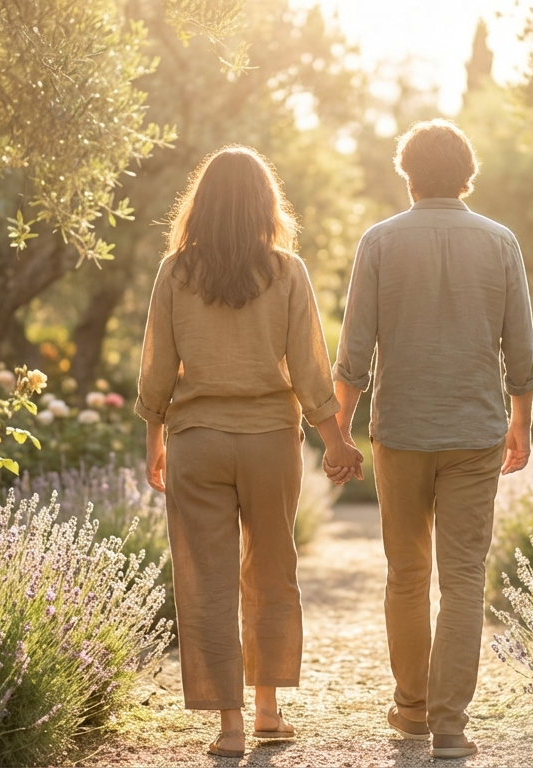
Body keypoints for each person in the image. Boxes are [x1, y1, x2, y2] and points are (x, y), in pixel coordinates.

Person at [135, 146, 364, 758]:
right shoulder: (287, 271)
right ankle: (268, 707)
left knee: (204, 579)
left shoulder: (175, 272)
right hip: (270, 441)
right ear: (267, 204)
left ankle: (229, 725)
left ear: (201, 204)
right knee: (271, 569)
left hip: (196, 441)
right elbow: (312, 369)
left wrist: (154, 437)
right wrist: (337, 438)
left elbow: (157, 367)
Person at [330, 119, 533, 760]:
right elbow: (522, 351)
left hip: (400, 433)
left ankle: (413, 707)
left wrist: (338, 431)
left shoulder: (379, 242)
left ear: (408, 175)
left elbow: (353, 352)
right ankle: (450, 725)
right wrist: (521, 424)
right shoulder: (501, 242)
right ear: (467, 174)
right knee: (463, 578)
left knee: (406, 574)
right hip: (475, 435)